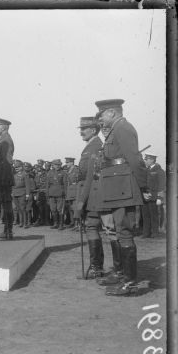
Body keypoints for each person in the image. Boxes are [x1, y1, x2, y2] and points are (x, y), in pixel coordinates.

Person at [94, 98, 148, 296]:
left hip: (124, 188)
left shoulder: (123, 128)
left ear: (112, 112)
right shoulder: (117, 129)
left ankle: (130, 283)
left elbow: (135, 159)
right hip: (118, 188)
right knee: (120, 230)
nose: (100, 118)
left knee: (124, 232)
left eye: (102, 114)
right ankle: (124, 276)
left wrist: (143, 185)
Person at [73, 116, 105, 278]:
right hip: (90, 194)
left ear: (93, 130)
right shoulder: (91, 146)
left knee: (91, 227)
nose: (81, 133)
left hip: (92, 196)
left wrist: (80, 202)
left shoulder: (94, 147)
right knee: (91, 228)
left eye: (83, 130)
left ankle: (96, 268)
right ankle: (97, 267)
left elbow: (89, 177)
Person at [141, 153, 166, 238]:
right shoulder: (145, 170)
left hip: (154, 197)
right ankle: (146, 233)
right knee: (145, 216)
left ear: (152, 160)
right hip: (145, 197)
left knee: (154, 216)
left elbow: (162, 185)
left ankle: (155, 233)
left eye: (147, 159)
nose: (145, 161)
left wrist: (159, 197)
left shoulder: (160, 171)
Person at [46, 159, 65, 229]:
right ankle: (55, 223)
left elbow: (65, 184)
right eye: (56, 165)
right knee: (53, 209)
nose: (57, 166)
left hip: (60, 194)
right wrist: (47, 194)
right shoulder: (49, 173)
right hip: (51, 194)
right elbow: (47, 185)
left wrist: (65, 194)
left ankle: (61, 224)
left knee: (60, 209)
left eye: (59, 165)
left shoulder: (63, 173)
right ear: (53, 165)